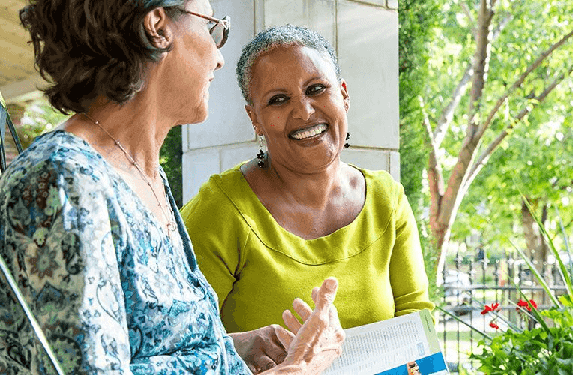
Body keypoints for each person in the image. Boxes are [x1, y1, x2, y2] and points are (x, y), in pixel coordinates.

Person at [0, 0, 344, 373]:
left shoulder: (141, 172)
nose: (218, 58)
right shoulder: (62, 183)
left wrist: (231, 350)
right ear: (158, 27)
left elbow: (139, 347)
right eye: (211, 27)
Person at [181, 25, 434, 334]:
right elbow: (181, 346)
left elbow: (417, 325)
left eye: (316, 89)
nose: (303, 111)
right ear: (255, 119)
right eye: (278, 99)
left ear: (343, 94)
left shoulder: (386, 200)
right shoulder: (220, 210)